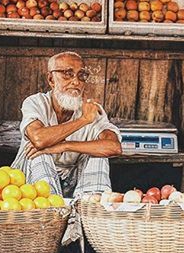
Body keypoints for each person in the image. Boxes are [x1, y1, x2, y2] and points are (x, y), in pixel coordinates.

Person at [11, 51, 122, 198]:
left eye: (81, 75)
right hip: (30, 187)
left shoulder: (91, 110)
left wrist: (65, 145)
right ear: (51, 80)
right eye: (67, 74)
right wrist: (83, 120)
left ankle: (89, 208)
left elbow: (114, 147)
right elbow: (38, 139)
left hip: (73, 181)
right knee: (39, 154)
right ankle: (50, 211)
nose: (76, 82)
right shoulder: (36, 102)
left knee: (98, 155)